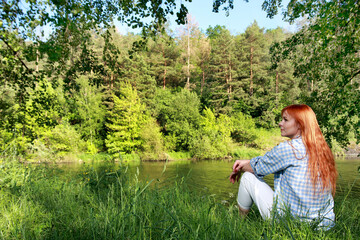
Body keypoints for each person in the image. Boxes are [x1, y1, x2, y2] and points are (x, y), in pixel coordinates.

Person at [229, 104, 337, 229]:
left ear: (299, 125)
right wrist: (248, 162)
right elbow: (264, 161)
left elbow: (258, 168)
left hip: (291, 224)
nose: (280, 123)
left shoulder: (289, 148)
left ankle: (239, 225)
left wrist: (239, 168)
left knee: (248, 177)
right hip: (324, 225)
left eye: (285, 120)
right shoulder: (321, 149)